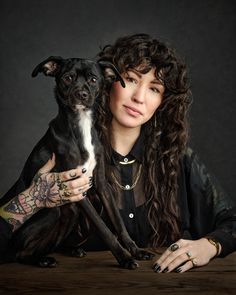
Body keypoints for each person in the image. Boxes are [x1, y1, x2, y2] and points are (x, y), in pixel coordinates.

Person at [0, 33, 235, 273]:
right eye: (131, 79)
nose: (139, 97)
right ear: (109, 82)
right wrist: (33, 198)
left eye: (154, 89)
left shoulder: (179, 159)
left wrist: (210, 245)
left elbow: (232, 221)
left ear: (163, 101)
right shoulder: (60, 150)